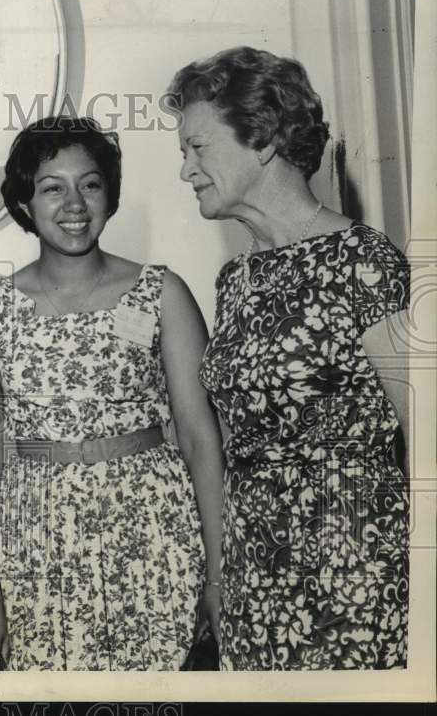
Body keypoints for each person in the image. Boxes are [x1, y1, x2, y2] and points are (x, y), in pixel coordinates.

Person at [168, 45, 411, 670]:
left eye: (199, 147)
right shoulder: (236, 279)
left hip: (353, 564)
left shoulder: (362, 260)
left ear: (264, 138)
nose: (186, 169)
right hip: (257, 570)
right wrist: (221, 576)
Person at [0, 116, 224, 671]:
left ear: (110, 195)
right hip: (38, 545)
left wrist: (221, 575)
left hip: (155, 534)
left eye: (91, 184)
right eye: (52, 187)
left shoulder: (161, 292)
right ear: (25, 203)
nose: (74, 203)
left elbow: (201, 440)